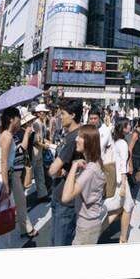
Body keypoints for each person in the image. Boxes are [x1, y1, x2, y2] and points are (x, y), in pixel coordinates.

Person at [62, 125, 106, 245]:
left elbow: (66, 197)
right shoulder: (94, 163)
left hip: (86, 228)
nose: (76, 139)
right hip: (88, 224)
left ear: (88, 142)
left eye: (80, 137)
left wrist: (74, 166)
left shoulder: (90, 170)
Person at [48, 99, 83, 246]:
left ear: (73, 115)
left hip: (65, 200)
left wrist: (59, 171)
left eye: (63, 114)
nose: (60, 117)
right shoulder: (70, 135)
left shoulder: (74, 138)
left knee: (60, 244)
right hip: (59, 194)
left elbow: (52, 170)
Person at [104, 118, 135, 243]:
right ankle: (122, 238)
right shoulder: (122, 143)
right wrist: (123, 184)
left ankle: (122, 237)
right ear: (123, 128)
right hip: (121, 179)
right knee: (127, 207)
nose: (130, 127)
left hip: (115, 177)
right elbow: (123, 164)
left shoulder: (115, 141)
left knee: (123, 207)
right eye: (128, 125)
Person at [11, 111, 39, 238]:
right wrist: (28, 133)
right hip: (13, 173)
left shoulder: (14, 134)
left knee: (19, 201)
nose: (19, 121)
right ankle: (27, 229)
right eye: (18, 119)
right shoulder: (9, 135)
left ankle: (24, 228)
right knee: (21, 201)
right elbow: (22, 149)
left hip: (17, 171)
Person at [31, 103, 50, 203]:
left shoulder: (42, 123)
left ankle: (42, 195)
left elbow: (41, 138)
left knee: (40, 174)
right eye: (43, 112)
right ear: (38, 113)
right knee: (35, 174)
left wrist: (45, 142)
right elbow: (35, 140)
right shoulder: (36, 123)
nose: (45, 114)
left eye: (46, 112)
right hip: (35, 152)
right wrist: (44, 145)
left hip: (39, 152)